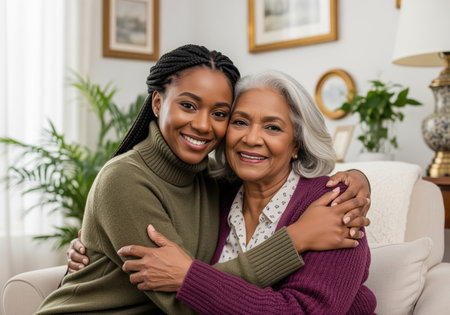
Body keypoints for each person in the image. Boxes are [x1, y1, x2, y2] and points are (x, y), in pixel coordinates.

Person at [38, 45, 370, 314]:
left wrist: (358, 178)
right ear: (157, 102)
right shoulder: (129, 180)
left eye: (221, 114)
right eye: (240, 121)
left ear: (297, 142)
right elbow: (186, 305)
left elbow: (320, 299)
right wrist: (295, 239)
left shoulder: (223, 186)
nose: (203, 124)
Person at [112, 71, 377, 313]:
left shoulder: (334, 202)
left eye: (272, 127)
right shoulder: (217, 194)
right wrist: (93, 244)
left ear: (296, 143)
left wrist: (189, 278)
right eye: (240, 122)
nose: (251, 139)